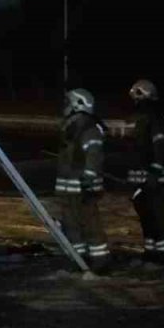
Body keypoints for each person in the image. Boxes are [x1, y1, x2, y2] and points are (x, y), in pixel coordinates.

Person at [55, 88, 110, 273]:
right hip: (69, 189)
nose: (65, 106)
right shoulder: (72, 125)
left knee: (90, 226)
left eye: (68, 102)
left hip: (83, 189)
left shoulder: (88, 127)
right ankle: (78, 260)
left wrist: (89, 180)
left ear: (78, 104)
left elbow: (94, 155)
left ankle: (100, 262)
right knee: (71, 226)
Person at [127, 78, 164, 263]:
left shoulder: (157, 119)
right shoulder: (143, 119)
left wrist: (155, 172)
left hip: (156, 180)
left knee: (157, 217)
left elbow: (161, 147)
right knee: (146, 217)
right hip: (144, 181)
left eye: (137, 97)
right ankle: (151, 251)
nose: (135, 101)